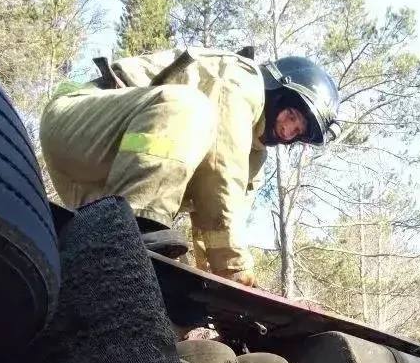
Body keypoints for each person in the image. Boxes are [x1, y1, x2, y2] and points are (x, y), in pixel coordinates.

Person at [39, 49, 339, 287]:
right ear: (278, 90)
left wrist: (222, 288)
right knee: (188, 106)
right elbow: (221, 175)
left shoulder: (253, 158)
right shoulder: (241, 80)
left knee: (180, 294)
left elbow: (218, 220)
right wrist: (235, 269)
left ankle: (130, 240)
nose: (287, 130)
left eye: (297, 131)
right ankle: (134, 230)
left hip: (100, 186)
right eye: (291, 115)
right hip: (76, 125)